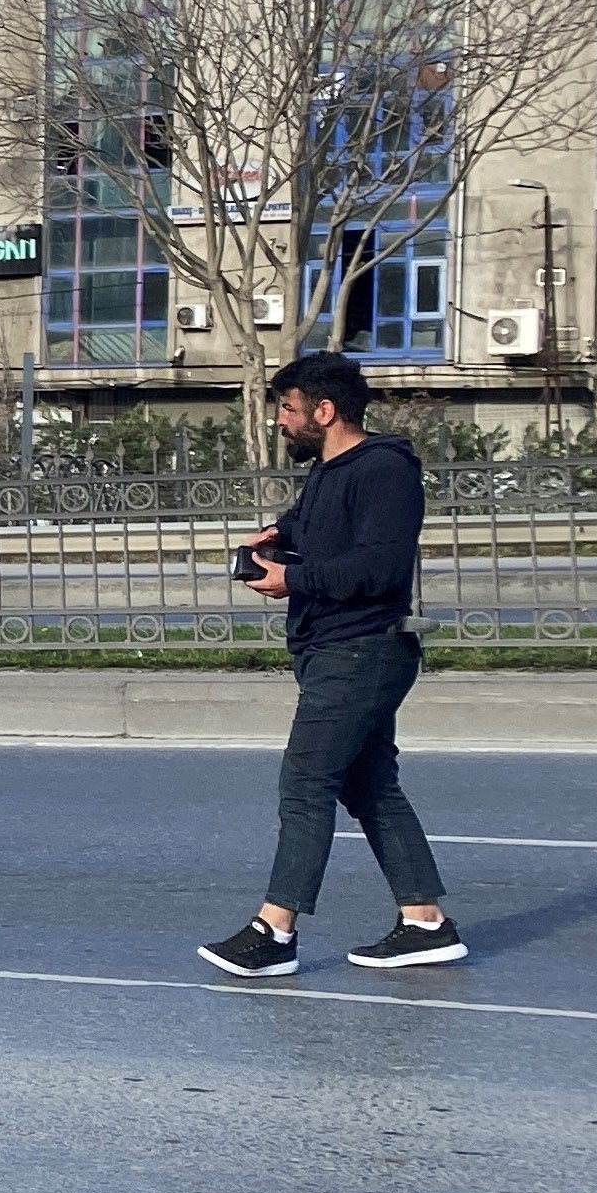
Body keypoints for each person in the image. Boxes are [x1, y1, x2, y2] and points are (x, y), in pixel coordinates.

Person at [200, 351, 462, 977]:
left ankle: (275, 932)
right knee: (369, 786)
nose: (281, 423)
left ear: (325, 410)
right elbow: (321, 533)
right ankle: (426, 923)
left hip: (362, 650)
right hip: (332, 650)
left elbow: (381, 567)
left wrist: (294, 577)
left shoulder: (383, 470)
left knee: (307, 782)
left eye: (288, 410)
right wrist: (278, 537)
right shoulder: (329, 469)